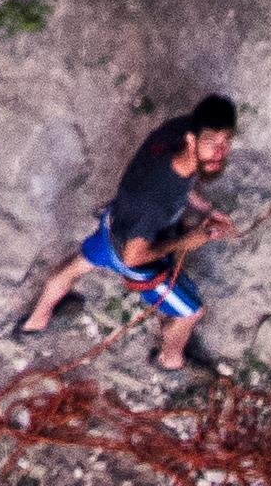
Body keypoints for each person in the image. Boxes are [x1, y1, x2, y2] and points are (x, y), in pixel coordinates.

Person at [14, 98, 250, 371]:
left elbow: (183, 182)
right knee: (191, 313)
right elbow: (133, 258)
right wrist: (188, 240)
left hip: (114, 222)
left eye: (226, 140)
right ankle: (169, 360)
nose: (221, 151)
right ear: (191, 140)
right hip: (132, 254)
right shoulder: (155, 203)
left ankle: (36, 322)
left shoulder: (180, 133)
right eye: (212, 141)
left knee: (73, 267)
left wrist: (205, 207)